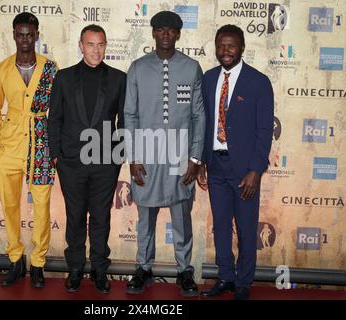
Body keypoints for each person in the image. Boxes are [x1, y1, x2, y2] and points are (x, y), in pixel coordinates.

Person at [124, 11, 205, 297]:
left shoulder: (192, 67)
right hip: (146, 155)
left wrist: (195, 159)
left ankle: (184, 271)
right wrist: (133, 158)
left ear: (178, 34)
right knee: (145, 219)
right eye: (160, 30)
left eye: (171, 30)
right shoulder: (137, 68)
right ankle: (143, 268)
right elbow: (130, 115)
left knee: (182, 217)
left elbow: (198, 116)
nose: (166, 35)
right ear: (154, 33)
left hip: (180, 159)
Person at [47, 24, 126, 294]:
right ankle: (76, 268)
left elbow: (124, 122)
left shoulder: (119, 78)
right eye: (91, 44)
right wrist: (55, 155)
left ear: (106, 46)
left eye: (101, 44)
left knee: (101, 217)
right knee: (76, 216)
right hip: (70, 162)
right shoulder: (64, 78)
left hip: (106, 162)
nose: (96, 50)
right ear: (81, 45)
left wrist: (119, 155)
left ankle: (100, 270)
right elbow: (54, 118)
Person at [197, 24, 274, 300]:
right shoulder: (207, 79)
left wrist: (256, 170)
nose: (225, 51)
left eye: (231, 46)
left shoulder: (259, 82)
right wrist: (202, 162)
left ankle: (244, 282)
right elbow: (203, 123)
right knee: (220, 226)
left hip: (244, 170)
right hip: (215, 166)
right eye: (221, 45)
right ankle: (226, 277)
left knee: (245, 227)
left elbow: (264, 131)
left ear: (241, 47)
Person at [0, 12, 58, 289]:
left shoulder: (51, 68)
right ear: (14, 35)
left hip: (40, 144)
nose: (25, 39)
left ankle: (38, 263)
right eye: (21, 34)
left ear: (37, 35)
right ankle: (16, 260)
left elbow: (58, 111)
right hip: (9, 147)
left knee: (41, 206)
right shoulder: (1, 70)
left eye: (30, 34)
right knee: (11, 205)